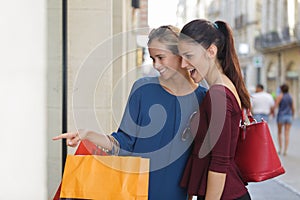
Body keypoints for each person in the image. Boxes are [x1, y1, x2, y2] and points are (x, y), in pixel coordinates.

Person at [53, 25, 207, 200]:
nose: (156, 65)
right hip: (134, 190)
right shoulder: (142, 89)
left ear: (180, 54)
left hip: (177, 192)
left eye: (161, 57)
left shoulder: (202, 98)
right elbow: (124, 143)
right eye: (152, 58)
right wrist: (89, 135)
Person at [178, 19, 251, 200]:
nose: (183, 64)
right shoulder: (223, 87)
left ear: (211, 51)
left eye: (189, 56)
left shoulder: (218, 94)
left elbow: (220, 163)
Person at [273, 83, 295, 156]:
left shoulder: (280, 96)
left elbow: (275, 105)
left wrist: (273, 112)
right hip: (289, 116)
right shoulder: (290, 97)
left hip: (281, 116)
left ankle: (280, 149)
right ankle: (285, 150)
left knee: (279, 133)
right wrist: (293, 115)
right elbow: (293, 107)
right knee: (287, 133)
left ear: (281, 89)